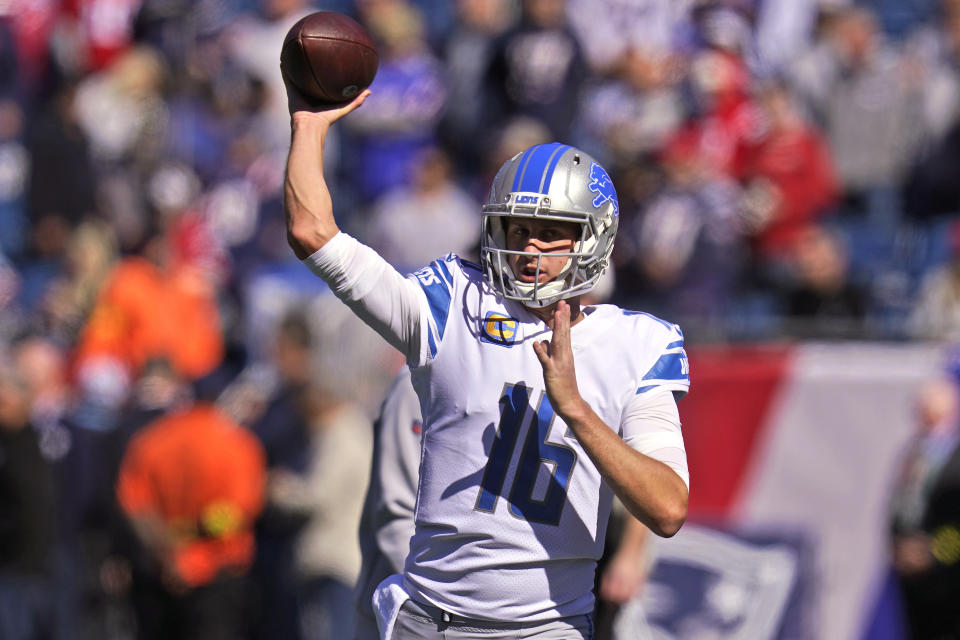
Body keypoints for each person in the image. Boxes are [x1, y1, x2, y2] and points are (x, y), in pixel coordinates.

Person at [283, 86, 690, 638]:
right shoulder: (451, 304)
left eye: (551, 234)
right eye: (519, 230)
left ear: (593, 239)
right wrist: (308, 126)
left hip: (545, 628)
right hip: (430, 621)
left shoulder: (637, 343)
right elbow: (314, 233)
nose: (529, 250)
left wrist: (576, 410)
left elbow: (667, 507)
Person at [352, 368, 654, 640]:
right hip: (426, 612)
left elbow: (634, 481)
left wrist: (632, 549)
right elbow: (398, 515)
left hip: (537, 616)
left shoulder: (592, 384)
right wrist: (455, 605)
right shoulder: (434, 372)